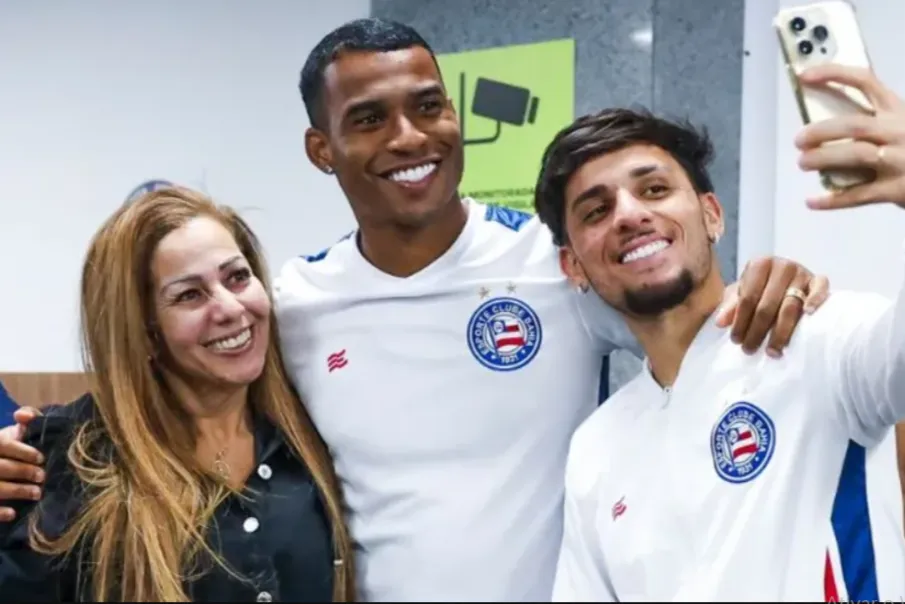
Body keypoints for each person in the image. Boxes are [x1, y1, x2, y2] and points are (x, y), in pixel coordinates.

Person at [0, 18, 830, 602]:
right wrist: (29, 447)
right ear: (321, 149)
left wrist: (783, 280)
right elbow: (169, 392)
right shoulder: (292, 304)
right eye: (368, 120)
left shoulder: (556, 267)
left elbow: (689, 318)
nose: (409, 136)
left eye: (427, 105)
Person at [536, 63, 905, 602]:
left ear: (711, 214)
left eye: (655, 189)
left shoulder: (817, 339)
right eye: (596, 210)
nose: (629, 215)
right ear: (574, 267)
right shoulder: (596, 447)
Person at [0, 188, 355, 602]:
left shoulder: (308, 431)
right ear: (144, 331)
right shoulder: (66, 459)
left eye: (237, 277)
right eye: (189, 295)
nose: (231, 308)